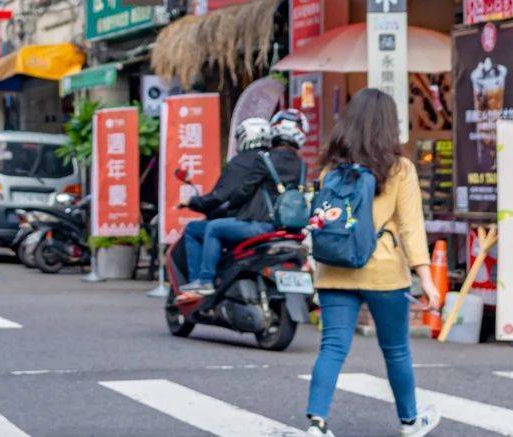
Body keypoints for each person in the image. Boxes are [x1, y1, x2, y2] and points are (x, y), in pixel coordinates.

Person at [304, 88, 440, 437]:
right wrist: (425, 278)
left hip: (334, 269)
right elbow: (411, 227)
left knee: (332, 347)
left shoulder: (329, 170)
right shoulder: (399, 169)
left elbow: (318, 221)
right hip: (384, 272)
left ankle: (317, 425)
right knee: (396, 351)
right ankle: (410, 421)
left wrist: (309, 260)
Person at [179, 116, 305, 297]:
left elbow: (244, 190)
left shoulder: (265, 160)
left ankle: (205, 281)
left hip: (262, 225)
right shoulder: (301, 165)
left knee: (213, 228)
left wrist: (233, 205)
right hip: (289, 229)